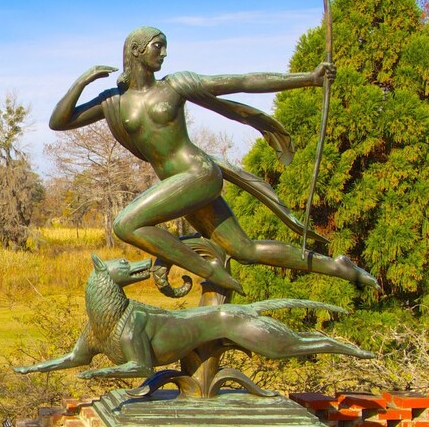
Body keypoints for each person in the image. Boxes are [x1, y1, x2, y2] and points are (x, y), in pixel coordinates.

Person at [49, 26, 376, 294]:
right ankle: (337, 266)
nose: (163, 53)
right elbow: (60, 121)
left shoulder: (175, 86)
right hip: (180, 188)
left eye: (164, 48)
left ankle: (208, 270)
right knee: (245, 251)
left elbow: (241, 81)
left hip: (198, 174)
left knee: (126, 224)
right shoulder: (113, 101)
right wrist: (82, 82)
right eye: (158, 46)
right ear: (136, 50)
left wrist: (309, 78)